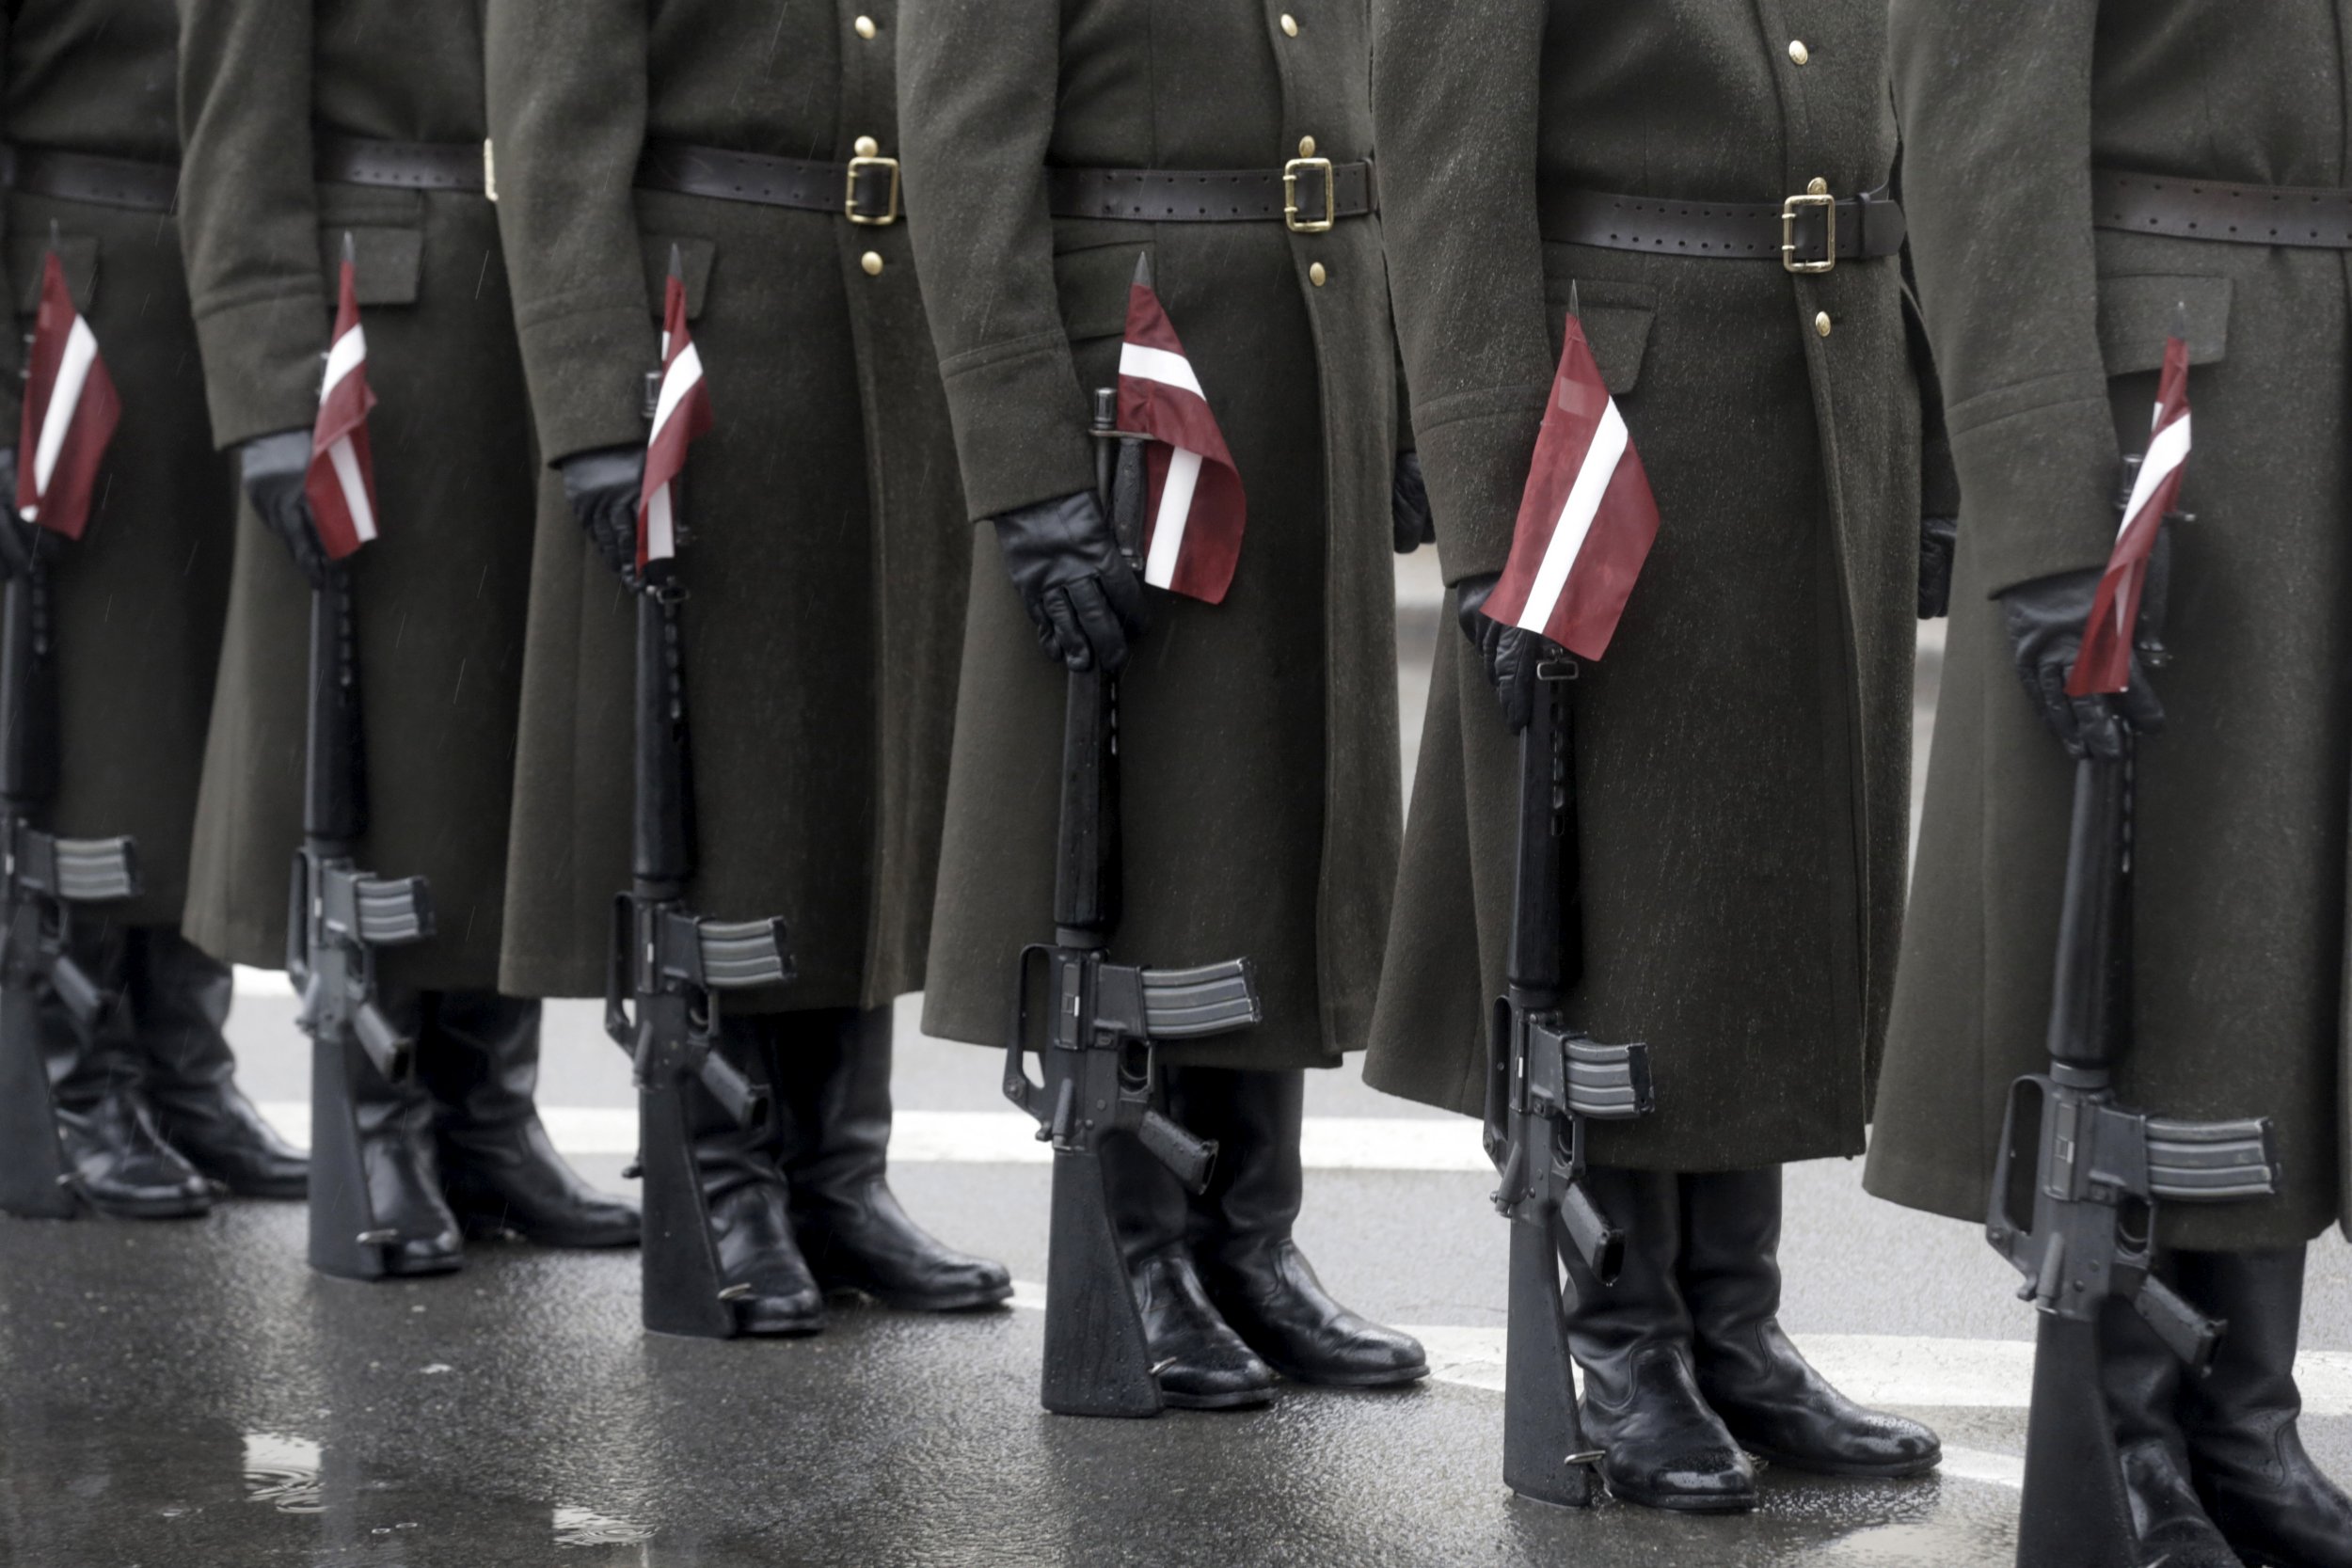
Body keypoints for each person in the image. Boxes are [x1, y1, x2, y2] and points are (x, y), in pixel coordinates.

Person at [1363, 0, 1947, 1510]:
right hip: (1617, 413)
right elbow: (1449, 170)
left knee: (1753, 887)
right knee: (1627, 891)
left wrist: (1930, 442)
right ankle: (1622, 1334)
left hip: (1817, 393)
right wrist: (1494, 506)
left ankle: (1732, 1325)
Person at [1863, 2, 2352, 1562]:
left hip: (2311, 405)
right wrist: (2038, 498)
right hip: (2158, 407)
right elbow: (1977, 134)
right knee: (2143, 946)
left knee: (2271, 944)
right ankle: (2124, 1438)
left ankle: (2243, 1422)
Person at [897, 0, 1427, 1408]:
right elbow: (960, 154)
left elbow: (1357, 107)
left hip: (1301, 352)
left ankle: (1249, 1242)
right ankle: (1138, 1252)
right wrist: (1018, 460)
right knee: (1141, 840)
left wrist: (1404, 391)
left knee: (1270, 820)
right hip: (1131, 384)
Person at [481, 0, 1009, 1335]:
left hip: (876, 329)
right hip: (700, 336)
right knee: (726, 774)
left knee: (859, 768)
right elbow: (553, 130)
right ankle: (718, 1174)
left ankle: (837, 1175)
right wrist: (597, 407)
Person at [176, 0, 635, 1275]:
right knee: (380, 743)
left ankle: (487, 1120)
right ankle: (374, 1120)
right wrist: (269, 381)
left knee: (498, 747)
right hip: (373, 337)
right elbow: (235, 133)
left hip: (528, 315)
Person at [0, 0, 303, 1220]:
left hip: (215, 282)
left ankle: (184, 1066)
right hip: (69, 292)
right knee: (90, 711)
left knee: (191, 710)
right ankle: (77, 1077)